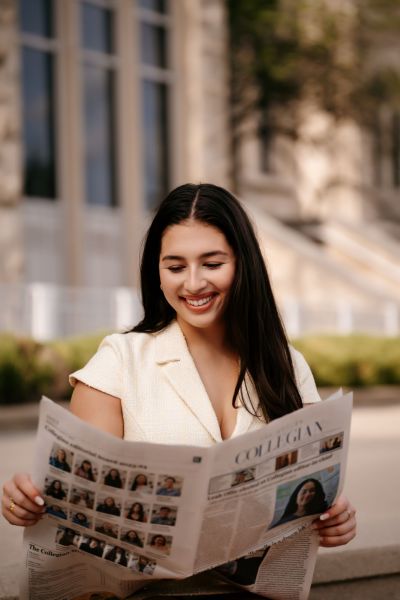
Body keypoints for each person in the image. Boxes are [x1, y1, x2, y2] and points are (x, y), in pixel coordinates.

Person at [1, 184, 356, 595]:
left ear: (243, 263)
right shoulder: (120, 361)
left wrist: (336, 520)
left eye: (211, 263)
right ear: (157, 271)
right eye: (175, 267)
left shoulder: (287, 366)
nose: (193, 283)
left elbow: (311, 499)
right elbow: (79, 507)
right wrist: (25, 502)